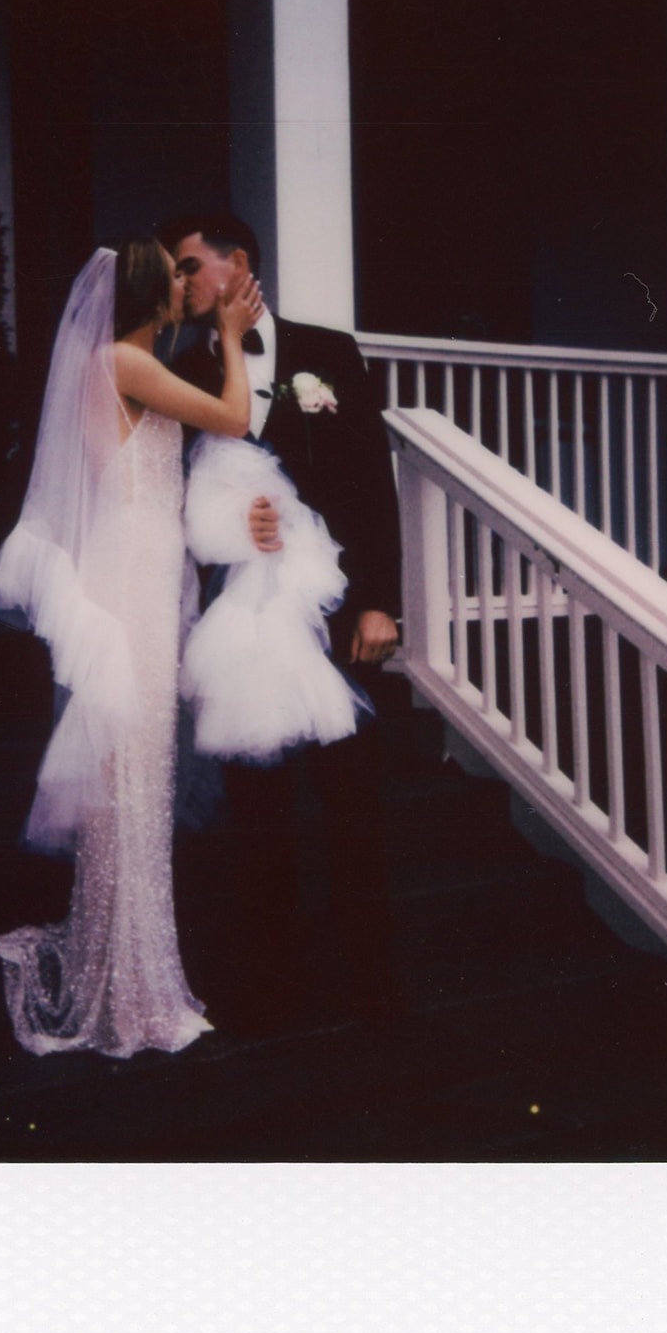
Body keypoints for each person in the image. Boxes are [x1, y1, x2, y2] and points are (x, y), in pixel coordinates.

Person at [0, 238, 265, 1058]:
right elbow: (234, 417)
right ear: (152, 294)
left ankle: (126, 962)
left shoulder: (127, 361)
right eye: (176, 277)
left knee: (135, 767)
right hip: (134, 569)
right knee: (133, 766)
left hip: (141, 558)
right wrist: (236, 346)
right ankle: (130, 990)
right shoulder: (124, 362)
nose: (187, 286)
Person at [162, 212, 404, 1034]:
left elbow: (372, 478)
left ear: (239, 267)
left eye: (191, 267)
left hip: (333, 605)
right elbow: (180, 492)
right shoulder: (179, 364)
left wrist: (379, 599)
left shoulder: (327, 351)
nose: (181, 283)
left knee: (351, 799)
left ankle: (371, 982)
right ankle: (272, 985)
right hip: (241, 613)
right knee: (256, 803)